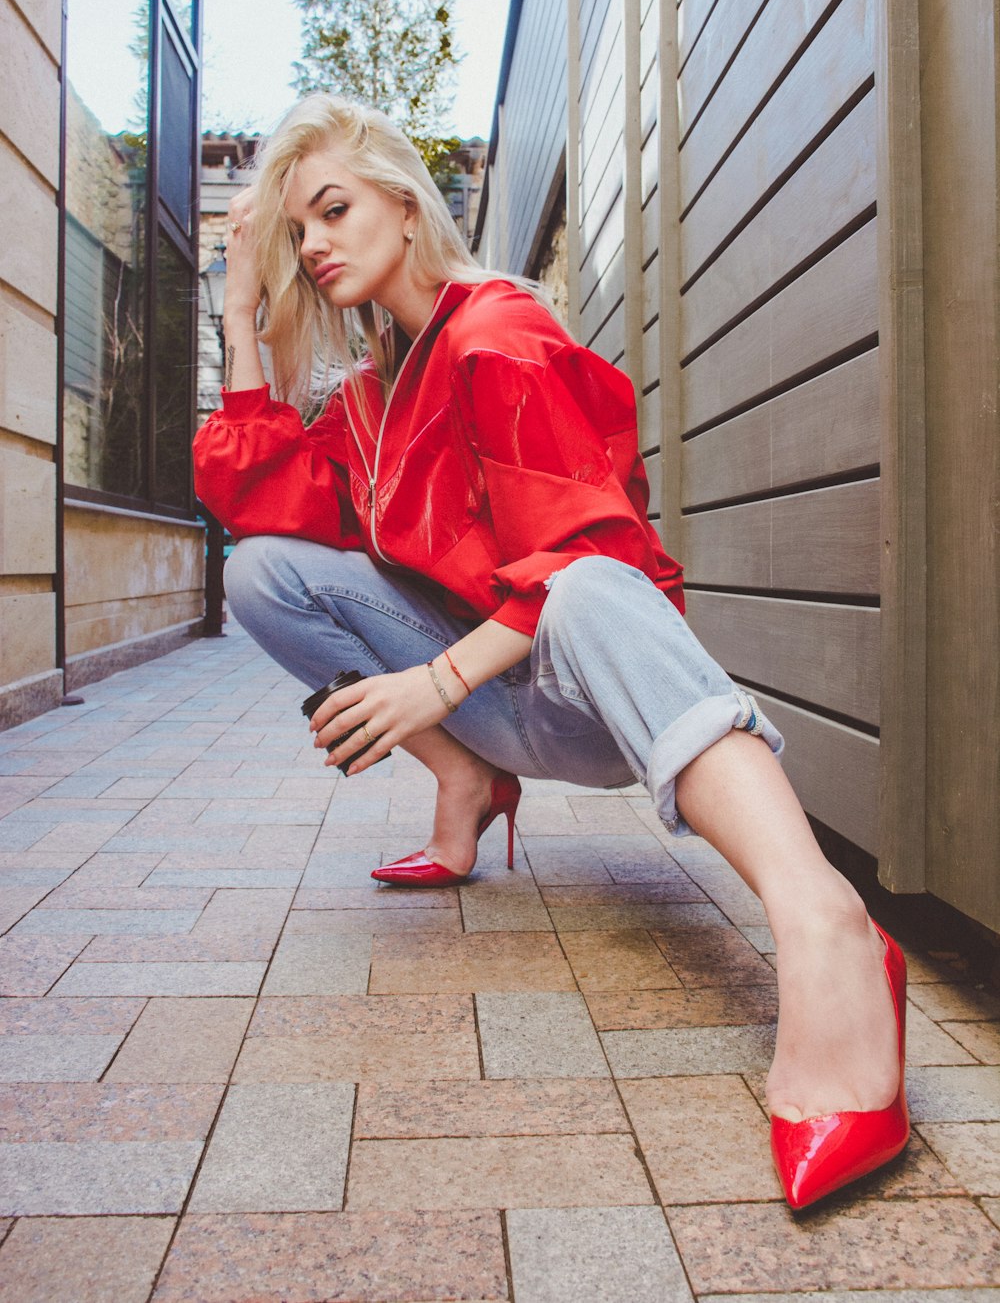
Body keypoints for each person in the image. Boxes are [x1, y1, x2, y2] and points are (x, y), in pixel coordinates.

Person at [193, 93, 908, 1209]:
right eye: (296, 233)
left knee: (583, 580)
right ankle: (467, 779)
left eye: (331, 210)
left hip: (595, 699)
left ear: (400, 198)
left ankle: (826, 925)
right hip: (497, 703)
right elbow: (258, 500)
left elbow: (597, 555)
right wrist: (239, 315)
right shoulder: (376, 397)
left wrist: (431, 678)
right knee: (260, 574)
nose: (316, 245)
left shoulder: (499, 331)